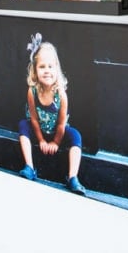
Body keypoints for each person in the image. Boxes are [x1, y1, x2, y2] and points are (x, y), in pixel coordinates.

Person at [18, 33, 87, 195]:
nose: (47, 71)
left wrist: (55, 142)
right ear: (35, 70)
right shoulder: (32, 91)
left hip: (58, 132)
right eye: (42, 67)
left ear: (57, 68)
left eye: (51, 66)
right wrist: (41, 140)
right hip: (39, 129)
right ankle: (29, 167)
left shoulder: (61, 94)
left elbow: (62, 124)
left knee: (76, 136)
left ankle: (73, 178)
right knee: (22, 125)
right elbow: (34, 118)